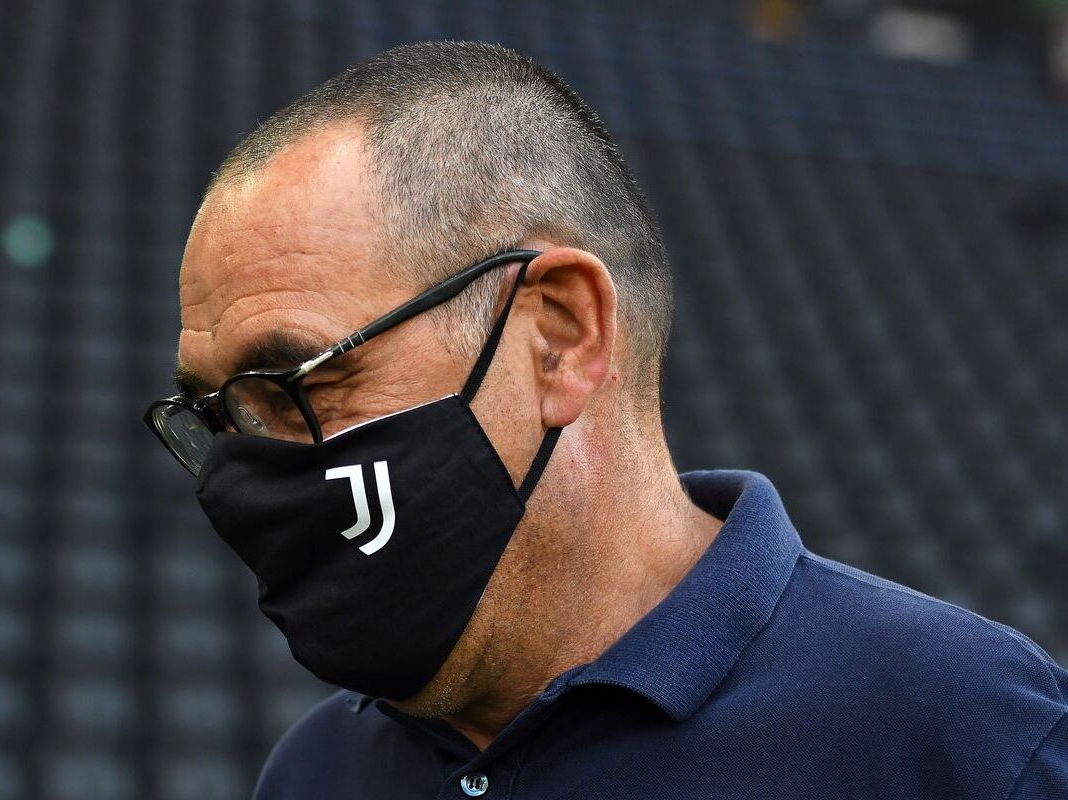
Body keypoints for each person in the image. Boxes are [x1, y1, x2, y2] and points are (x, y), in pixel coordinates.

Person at [142, 40, 1067, 799]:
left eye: (293, 383)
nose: (244, 473)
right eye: (215, 416)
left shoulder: (969, 741)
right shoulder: (314, 776)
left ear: (558, 338)